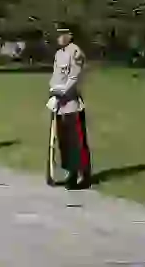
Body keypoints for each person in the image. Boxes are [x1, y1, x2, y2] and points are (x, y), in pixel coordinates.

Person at [48, 24, 91, 189]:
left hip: (72, 104)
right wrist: (52, 91)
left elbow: (74, 77)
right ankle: (69, 172)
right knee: (63, 141)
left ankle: (82, 174)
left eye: (61, 34)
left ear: (69, 35)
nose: (58, 37)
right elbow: (55, 76)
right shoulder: (59, 54)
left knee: (77, 142)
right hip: (59, 105)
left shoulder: (75, 52)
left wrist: (62, 92)